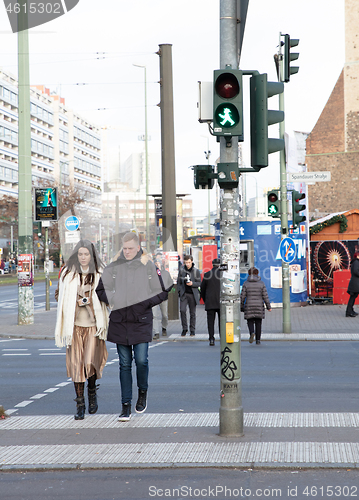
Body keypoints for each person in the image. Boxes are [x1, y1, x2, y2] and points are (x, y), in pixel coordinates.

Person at [96, 232, 172, 422]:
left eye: (131, 248)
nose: (128, 251)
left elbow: (163, 291)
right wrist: (113, 299)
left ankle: (143, 392)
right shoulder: (114, 267)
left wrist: (146, 303)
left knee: (141, 361)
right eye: (125, 248)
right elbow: (100, 289)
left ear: (138, 248)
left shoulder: (147, 267)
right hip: (120, 321)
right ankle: (125, 406)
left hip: (141, 320)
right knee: (124, 365)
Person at [54, 240, 109, 420]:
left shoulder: (100, 273)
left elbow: (109, 297)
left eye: (86, 254)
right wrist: (69, 302)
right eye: (80, 254)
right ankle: (80, 404)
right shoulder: (67, 274)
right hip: (74, 327)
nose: (83, 258)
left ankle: (91, 391)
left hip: (94, 326)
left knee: (90, 363)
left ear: (92, 256)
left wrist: (91, 302)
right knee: (77, 365)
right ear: (76, 256)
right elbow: (58, 295)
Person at [240, 267, 271, 345]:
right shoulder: (261, 283)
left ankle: (251, 332)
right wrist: (268, 307)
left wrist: (241, 306)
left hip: (249, 305)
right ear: (257, 274)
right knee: (258, 322)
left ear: (249, 274)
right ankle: (258, 340)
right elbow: (265, 296)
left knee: (250, 321)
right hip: (259, 306)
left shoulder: (246, 283)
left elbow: (242, 296)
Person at [178, 254, 201, 337]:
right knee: (182, 310)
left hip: (192, 294)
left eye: (189, 262)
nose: (187, 264)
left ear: (192, 262)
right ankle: (184, 328)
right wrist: (179, 291)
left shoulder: (196, 271)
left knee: (192, 313)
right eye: (186, 262)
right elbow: (179, 282)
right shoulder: (181, 270)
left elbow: (199, 283)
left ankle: (192, 330)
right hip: (184, 294)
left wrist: (192, 284)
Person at [200, 258, 221, 346]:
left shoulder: (207, 274)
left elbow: (202, 289)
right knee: (222, 321)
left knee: (210, 322)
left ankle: (211, 339)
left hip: (210, 301)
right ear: (219, 265)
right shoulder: (223, 274)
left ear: (212, 264)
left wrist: (205, 300)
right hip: (221, 302)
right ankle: (222, 337)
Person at [152, 252, 172, 338]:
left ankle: (164, 327)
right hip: (154, 297)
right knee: (154, 315)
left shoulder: (165, 273)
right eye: (155, 263)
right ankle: (156, 332)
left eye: (158, 263)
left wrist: (166, 291)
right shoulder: (152, 274)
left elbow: (170, 283)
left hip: (164, 298)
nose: (157, 265)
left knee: (164, 315)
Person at [346, 252, 359, 317]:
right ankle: (349, 311)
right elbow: (356, 271)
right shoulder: (356, 262)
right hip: (355, 283)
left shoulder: (355, 262)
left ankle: (350, 310)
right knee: (353, 297)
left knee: (353, 297)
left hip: (355, 283)